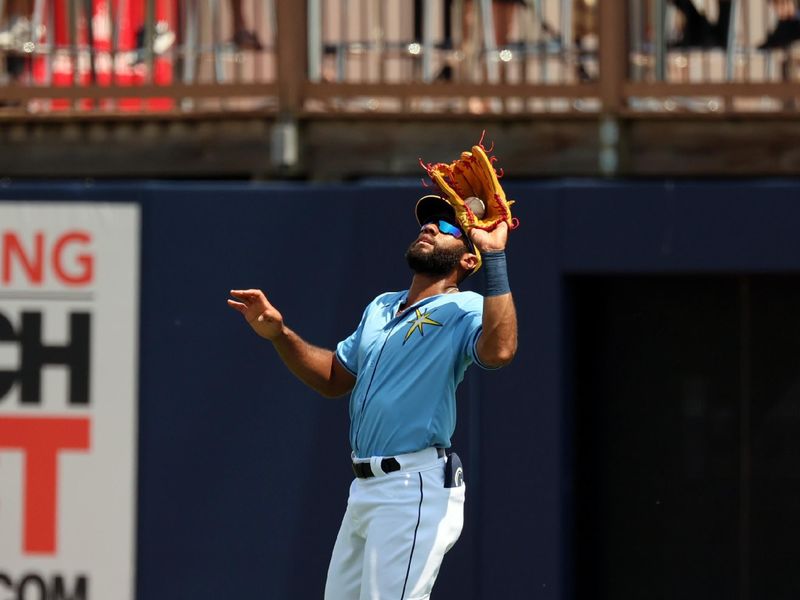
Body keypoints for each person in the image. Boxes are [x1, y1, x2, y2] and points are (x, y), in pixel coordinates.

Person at [228, 194, 518, 599]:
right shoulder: (381, 306)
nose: (430, 227)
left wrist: (496, 257)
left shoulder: (465, 307)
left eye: (450, 227)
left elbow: (500, 351)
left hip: (412, 485)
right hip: (365, 490)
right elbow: (334, 377)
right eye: (428, 222)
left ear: (467, 260)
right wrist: (280, 335)